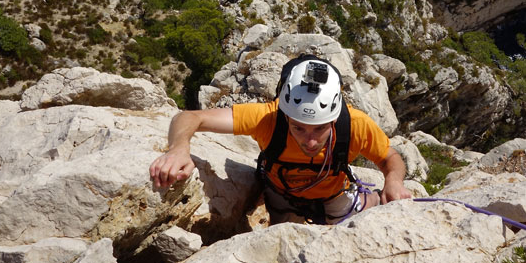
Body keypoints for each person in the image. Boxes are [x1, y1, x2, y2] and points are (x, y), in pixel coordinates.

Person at [150, 55, 413, 224]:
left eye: (319, 129)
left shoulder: (354, 125)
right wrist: (179, 148)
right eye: (299, 128)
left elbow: (390, 157)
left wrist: (393, 181)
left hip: (334, 196)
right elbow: (190, 117)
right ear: (286, 115)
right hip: (282, 198)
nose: (310, 141)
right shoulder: (269, 119)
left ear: (334, 119)